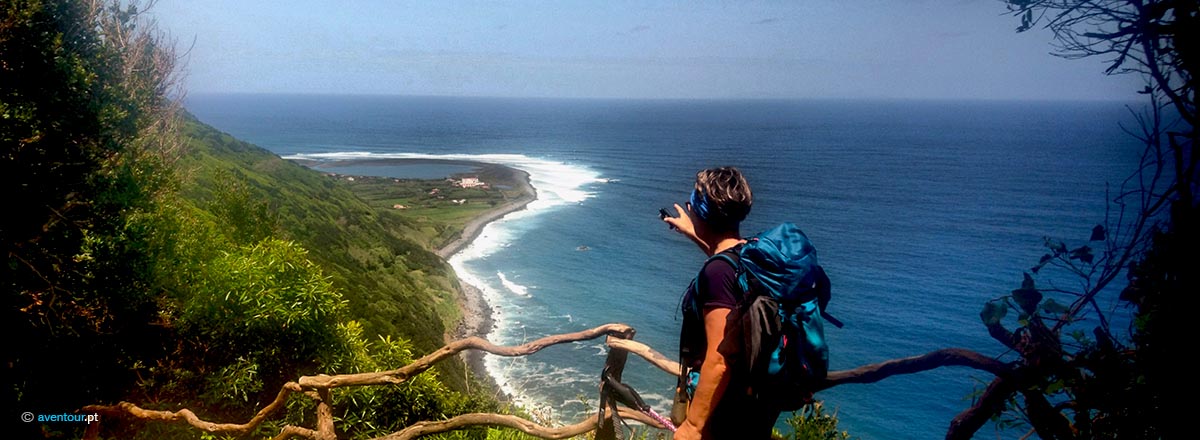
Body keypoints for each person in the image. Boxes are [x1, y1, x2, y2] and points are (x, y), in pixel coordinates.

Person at [663, 166, 781, 439]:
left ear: (699, 210)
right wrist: (692, 233)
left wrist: (693, 427)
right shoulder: (748, 252)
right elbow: (724, 259)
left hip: (722, 413)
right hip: (752, 405)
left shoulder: (717, 273)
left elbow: (719, 358)